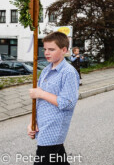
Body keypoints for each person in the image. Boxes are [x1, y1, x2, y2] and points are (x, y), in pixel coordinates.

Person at [27, 32, 80, 165]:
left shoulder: (68, 72)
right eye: (45, 49)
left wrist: (41, 94)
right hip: (43, 126)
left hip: (53, 130)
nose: (46, 52)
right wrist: (32, 122)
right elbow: (38, 102)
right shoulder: (46, 70)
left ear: (64, 50)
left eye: (51, 49)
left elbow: (67, 102)